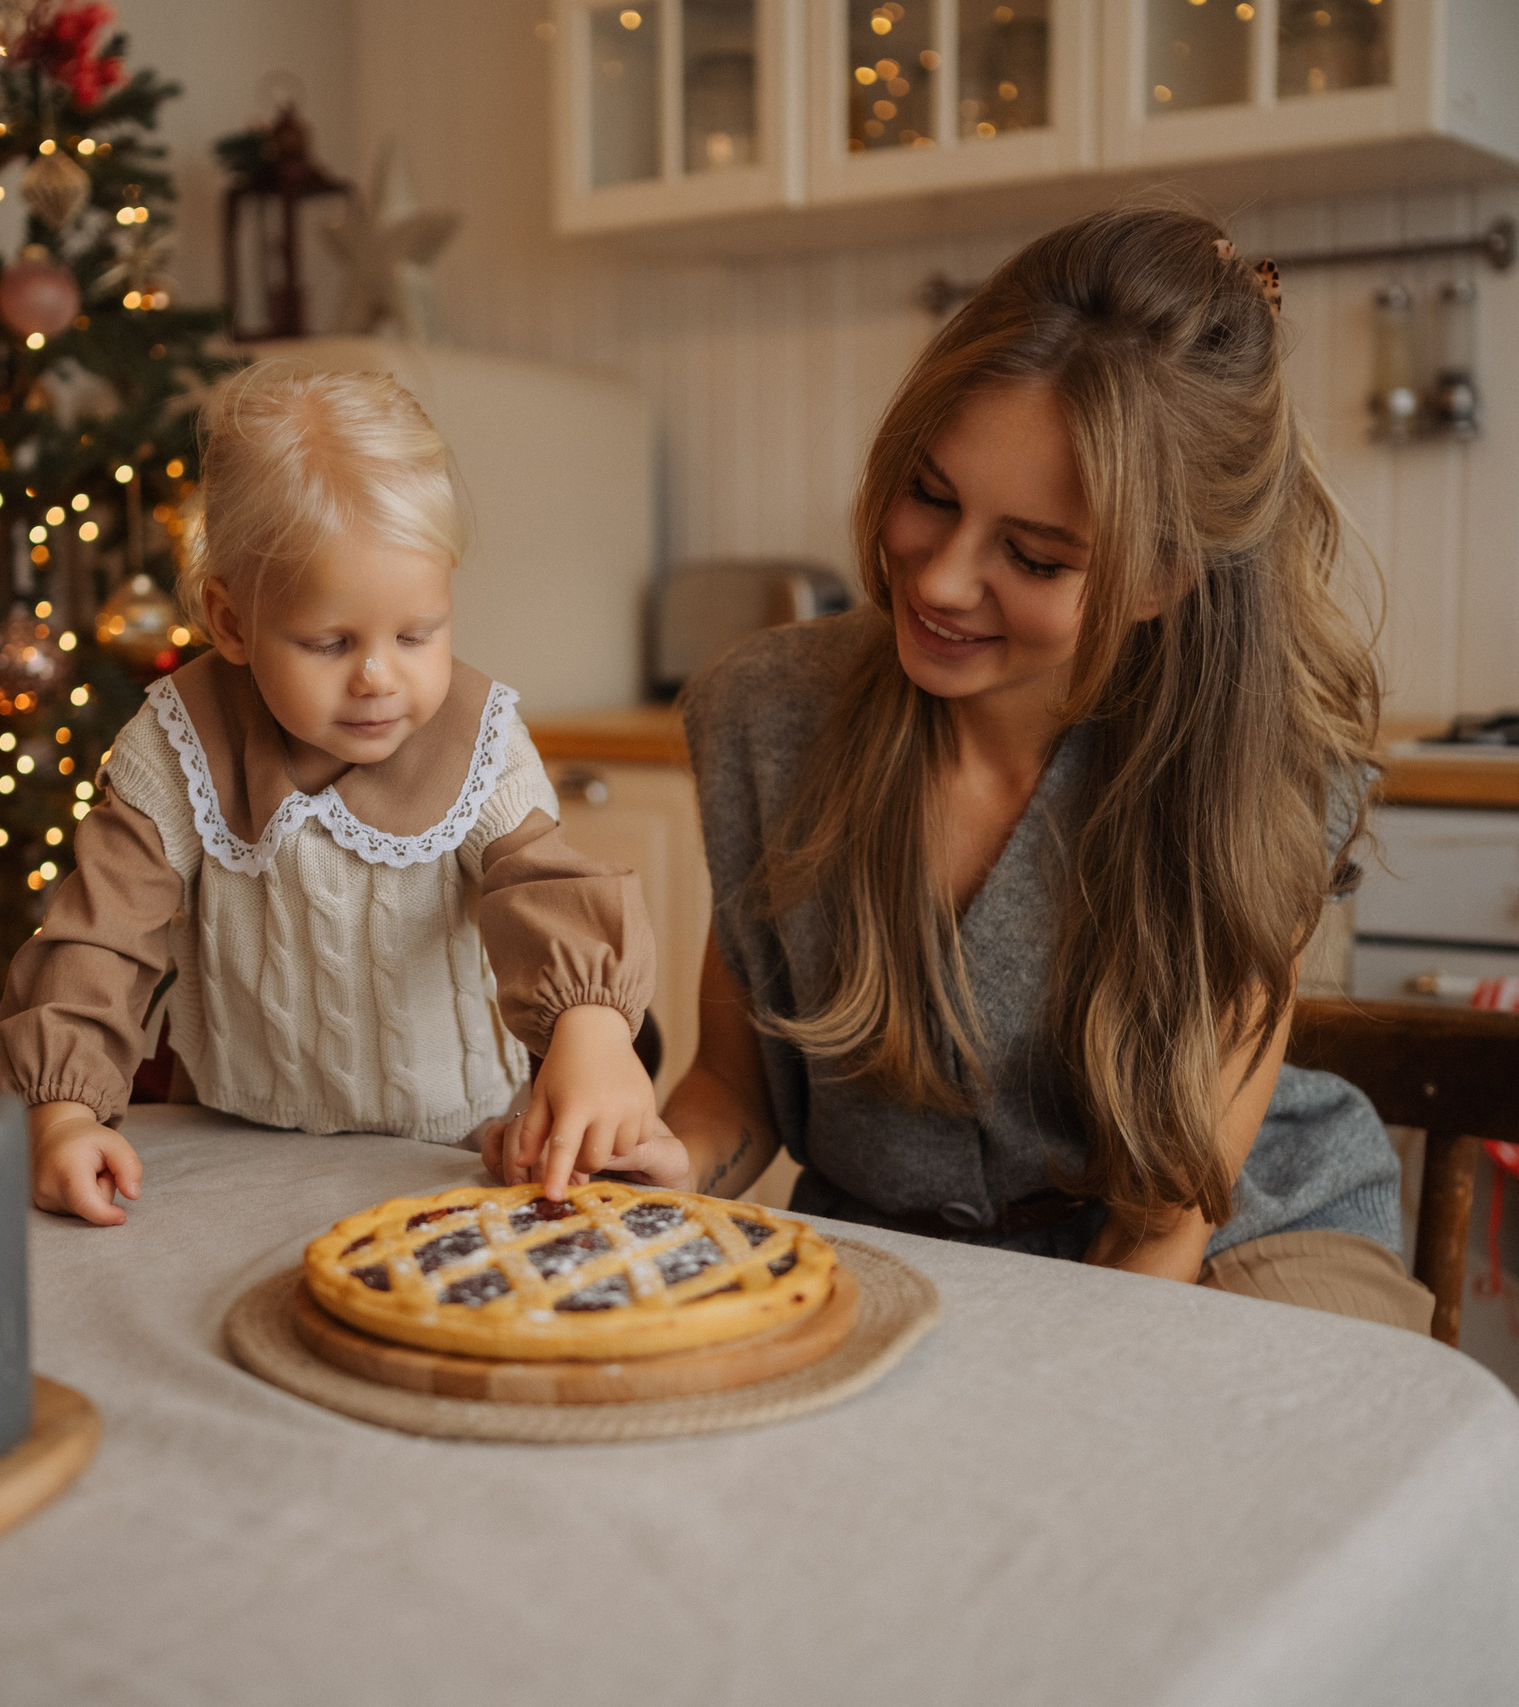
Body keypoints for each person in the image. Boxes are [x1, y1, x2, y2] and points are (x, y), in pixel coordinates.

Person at [493, 206, 1431, 1332]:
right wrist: (659, 1162)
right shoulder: (764, 715)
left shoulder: (1261, 773)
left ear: (1164, 577)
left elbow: (1168, 1217)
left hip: (1235, 1232)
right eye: (930, 496)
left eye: (1033, 554)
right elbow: (734, 1092)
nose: (937, 580)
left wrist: (1036, 1402)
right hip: (891, 1249)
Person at [0, 363, 681, 1224]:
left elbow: (547, 890)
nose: (380, 677)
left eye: (418, 632)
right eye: (329, 642)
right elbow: (98, 939)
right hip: (227, 1144)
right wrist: (63, 1112)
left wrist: (594, 1028)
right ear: (231, 621)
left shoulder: (479, 737)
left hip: (454, 1155)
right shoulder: (176, 744)